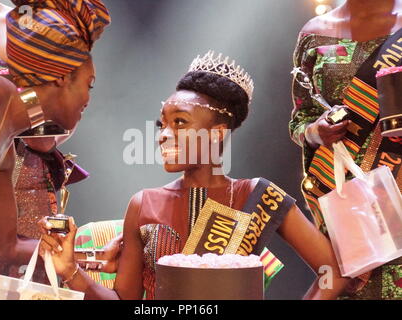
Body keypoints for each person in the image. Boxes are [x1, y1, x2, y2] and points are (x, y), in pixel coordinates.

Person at [39, 51, 350, 300]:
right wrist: (70, 272)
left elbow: (332, 274)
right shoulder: (144, 204)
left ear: (216, 133)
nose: (162, 135)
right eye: (162, 124)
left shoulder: (258, 195)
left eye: (180, 123)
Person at [0, 0, 112, 287]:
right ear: (63, 78)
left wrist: (94, 256)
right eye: (89, 86)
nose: (88, 101)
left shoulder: (3, 150)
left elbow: (7, 247)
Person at [290, 0, 402, 299]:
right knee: (353, 285)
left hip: (399, 187)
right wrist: (317, 131)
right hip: (345, 196)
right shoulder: (314, 34)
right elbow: (300, 121)